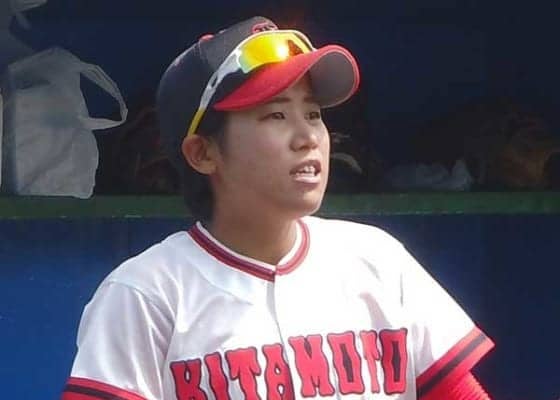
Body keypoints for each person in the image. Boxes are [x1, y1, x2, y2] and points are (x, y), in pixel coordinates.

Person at [61, 16, 494, 400]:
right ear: (203, 153)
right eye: (276, 116)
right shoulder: (146, 294)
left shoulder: (378, 262)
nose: (307, 138)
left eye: (313, 114)